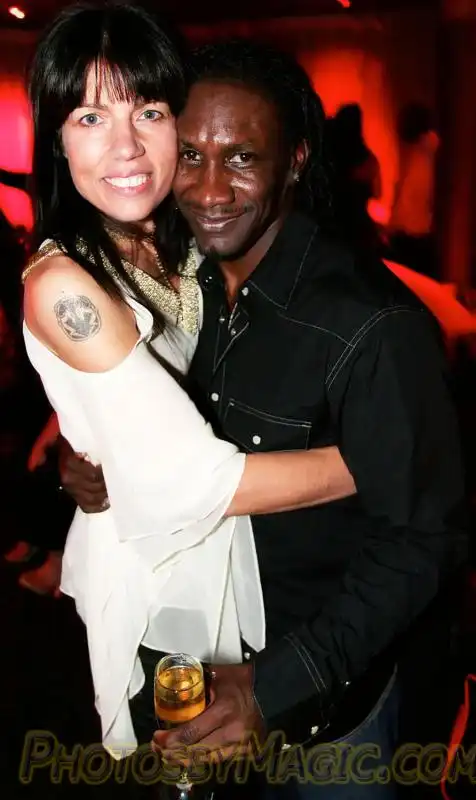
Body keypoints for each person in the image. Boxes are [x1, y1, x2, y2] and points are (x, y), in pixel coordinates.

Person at [62, 38, 467, 798]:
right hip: (199, 672)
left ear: (295, 160)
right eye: (190, 155)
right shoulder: (180, 287)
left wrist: (273, 685)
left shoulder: (369, 327)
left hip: (323, 716)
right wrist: (90, 463)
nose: (210, 190)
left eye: (242, 158)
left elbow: (423, 540)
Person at [23, 4, 357, 768]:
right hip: (163, 600)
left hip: (232, 572)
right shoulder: (64, 285)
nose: (127, 147)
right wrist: (380, 458)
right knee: (192, 773)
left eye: (148, 111)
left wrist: (80, 447)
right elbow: (199, 482)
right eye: (90, 117)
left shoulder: (174, 233)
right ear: (57, 139)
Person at [388, 103, 440, 279]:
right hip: (412, 233)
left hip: (416, 235)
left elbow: (409, 196)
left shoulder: (427, 151)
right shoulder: (419, 151)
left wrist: (394, 224)